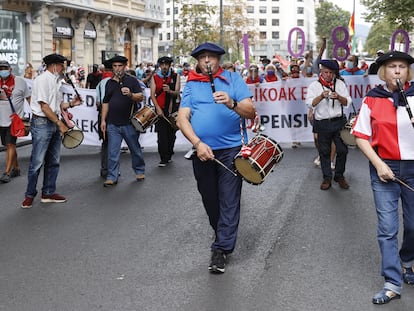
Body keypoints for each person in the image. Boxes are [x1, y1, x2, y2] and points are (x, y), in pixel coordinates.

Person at [176, 42, 256, 273]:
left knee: (229, 199)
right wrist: (198, 143)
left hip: (232, 150)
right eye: (203, 58)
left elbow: (250, 111)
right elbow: (182, 119)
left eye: (212, 57)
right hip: (202, 151)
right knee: (210, 198)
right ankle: (221, 230)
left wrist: (232, 103)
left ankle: (221, 249)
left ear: (219, 60)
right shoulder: (191, 84)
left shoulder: (233, 79)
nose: (208, 61)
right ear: (198, 62)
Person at [351, 51, 414, 305]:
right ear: (383, 72)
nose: (397, 71)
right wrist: (378, 164)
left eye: (402, 66)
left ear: (408, 72)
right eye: (391, 67)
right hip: (384, 168)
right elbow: (361, 136)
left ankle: (407, 260)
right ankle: (392, 281)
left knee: (413, 225)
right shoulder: (373, 99)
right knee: (388, 228)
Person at [21, 53, 82, 208]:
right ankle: (29, 195)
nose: (64, 69)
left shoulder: (56, 81)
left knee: (53, 161)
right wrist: (60, 124)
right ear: (54, 66)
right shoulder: (42, 80)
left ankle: (48, 192)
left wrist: (72, 104)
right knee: (37, 162)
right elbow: (44, 106)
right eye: (62, 65)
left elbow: (57, 106)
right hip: (42, 123)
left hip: (52, 121)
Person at [305, 59, 352, 190]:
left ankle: (339, 175)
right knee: (324, 152)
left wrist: (339, 97)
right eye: (326, 72)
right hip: (322, 122)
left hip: (338, 121)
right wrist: (320, 97)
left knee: (343, 150)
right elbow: (310, 103)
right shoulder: (314, 86)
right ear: (321, 71)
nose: (328, 75)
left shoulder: (340, 84)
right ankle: (327, 178)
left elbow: (347, 101)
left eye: (331, 73)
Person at [100, 55, 145, 187]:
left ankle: (139, 170)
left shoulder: (132, 81)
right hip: (112, 123)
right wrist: (103, 120)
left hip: (129, 123)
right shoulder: (109, 83)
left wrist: (131, 95)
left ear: (125, 67)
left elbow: (140, 97)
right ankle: (112, 177)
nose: (117, 69)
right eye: (115, 66)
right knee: (112, 152)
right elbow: (105, 103)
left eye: (120, 66)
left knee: (135, 149)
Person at [0, 60, 31, 183]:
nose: (3, 71)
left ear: (10, 69)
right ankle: (16, 168)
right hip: (1, 120)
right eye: (1, 68)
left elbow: (29, 98)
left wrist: (34, 114)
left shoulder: (21, 82)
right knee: (8, 145)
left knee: (10, 145)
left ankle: (6, 172)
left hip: (14, 120)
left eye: (5, 68)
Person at [150, 56, 181, 167]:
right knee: (161, 134)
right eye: (162, 65)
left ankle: (169, 153)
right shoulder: (155, 77)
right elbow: (152, 94)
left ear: (169, 66)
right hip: (160, 109)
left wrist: (170, 91)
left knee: (171, 134)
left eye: (166, 65)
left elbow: (177, 92)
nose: (164, 67)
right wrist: (157, 108)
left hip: (172, 109)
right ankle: (163, 158)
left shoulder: (175, 76)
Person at [95, 59, 113, 178]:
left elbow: (97, 102)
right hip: (112, 113)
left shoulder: (100, 83)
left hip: (102, 114)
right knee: (113, 143)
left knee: (105, 143)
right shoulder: (114, 81)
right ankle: (112, 169)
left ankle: (104, 169)